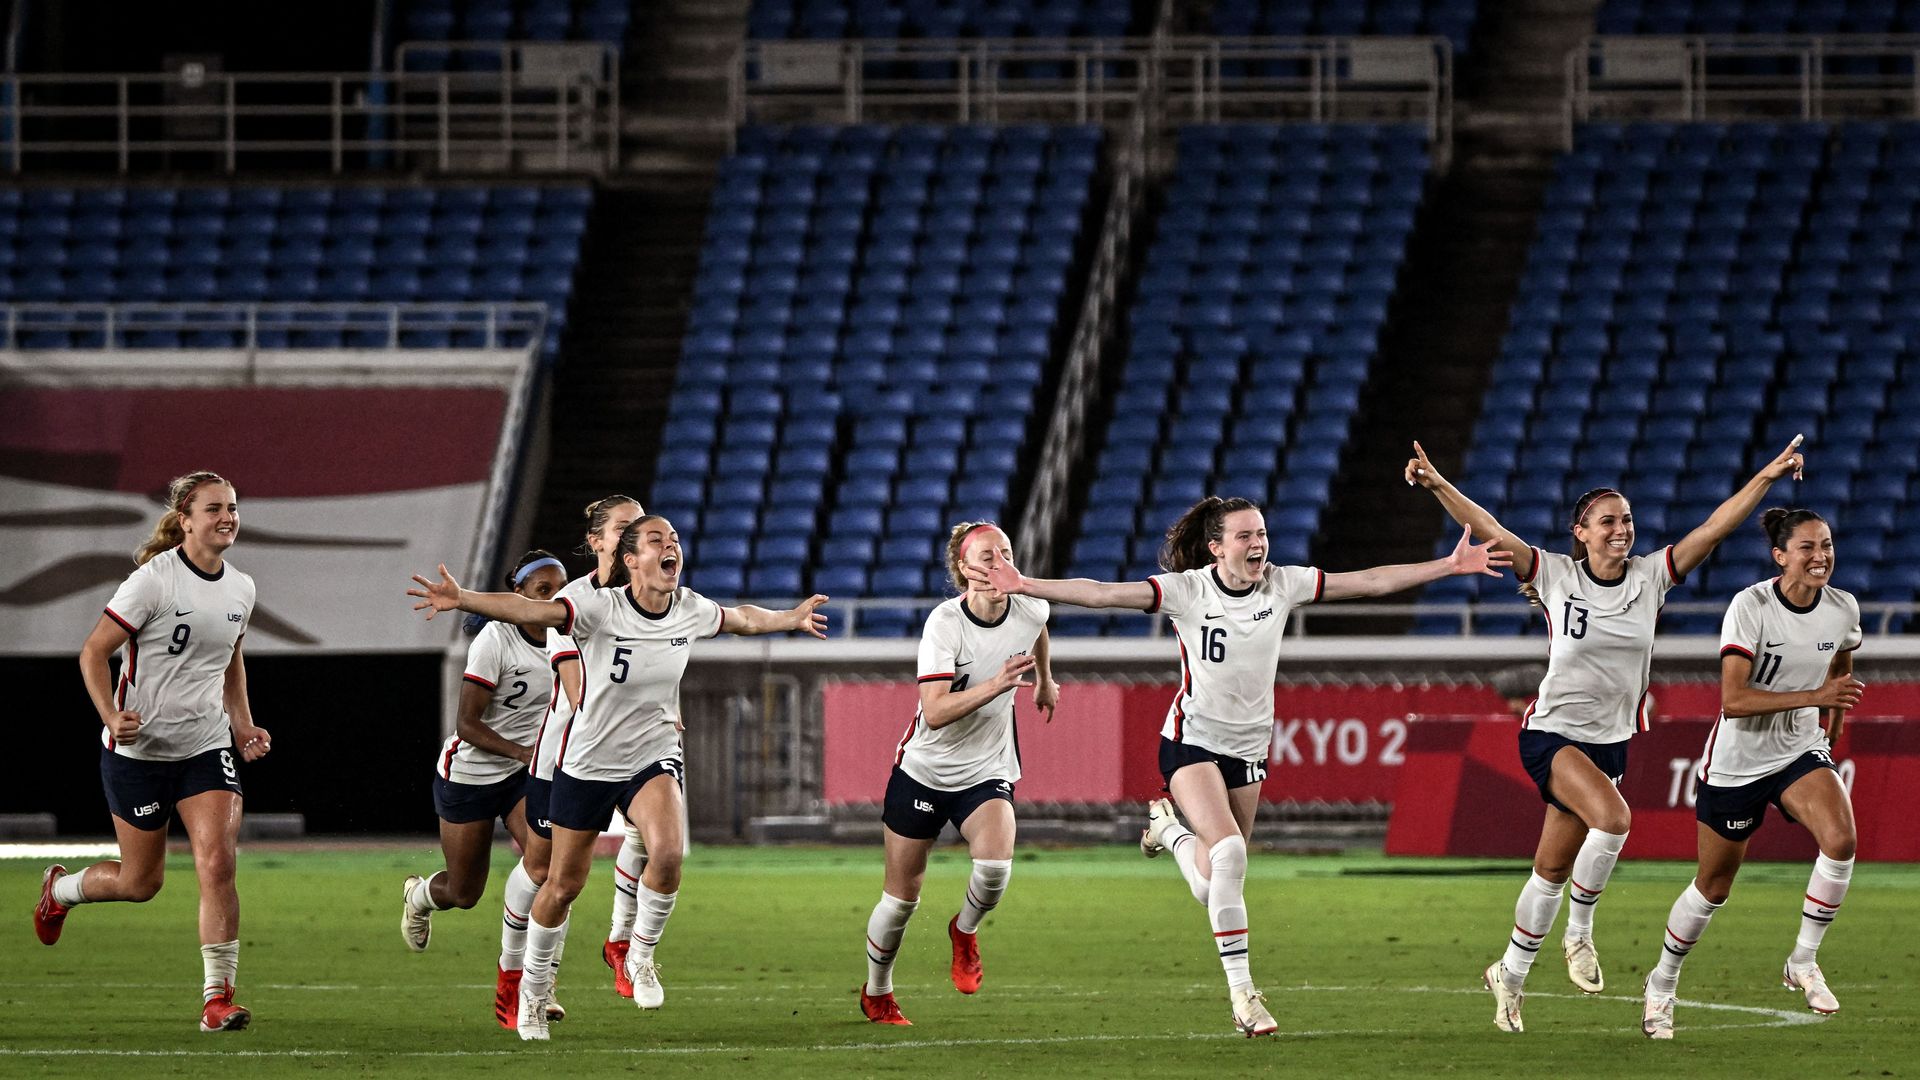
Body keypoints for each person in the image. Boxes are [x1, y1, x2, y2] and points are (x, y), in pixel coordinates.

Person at [974, 495, 1508, 1037]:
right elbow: (1104, 593)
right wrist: (1027, 584)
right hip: (1190, 742)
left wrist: (1447, 565)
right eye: (1245, 536)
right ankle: (1243, 996)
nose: (1259, 544)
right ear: (1216, 547)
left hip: (1248, 750)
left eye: (1262, 533)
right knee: (1229, 853)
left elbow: (1368, 581)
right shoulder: (1188, 590)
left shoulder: (1283, 583)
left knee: (1215, 882)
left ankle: (1169, 832)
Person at [1405, 436, 1806, 1032]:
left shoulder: (1652, 578)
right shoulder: (1556, 575)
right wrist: (1439, 485)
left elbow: (1714, 528)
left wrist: (1766, 477)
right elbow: (1487, 526)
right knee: (1615, 820)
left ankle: (1509, 976)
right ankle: (1581, 933)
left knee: (1550, 870)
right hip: (1551, 733)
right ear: (1581, 532)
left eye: (1628, 520)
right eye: (1609, 521)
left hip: (1610, 741)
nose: (1623, 529)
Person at [408, 514, 829, 1041]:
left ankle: (638, 955)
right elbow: (529, 611)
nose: (669, 545)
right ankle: (533, 993)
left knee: (668, 854)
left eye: (673, 539)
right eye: (655, 539)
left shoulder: (689, 607)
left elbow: (739, 617)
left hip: (650, 755)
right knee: (561, 885)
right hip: (585, 761)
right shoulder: (593, 606)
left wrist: (790, 618)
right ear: (629, 559)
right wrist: (464, 597)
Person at [38, 470, 270, 1033]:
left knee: (218, 863)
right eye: (214, 508)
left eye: (232, 507)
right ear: (185, 519)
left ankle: (218, 1000)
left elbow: (230, 661)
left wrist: (241, 724)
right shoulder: (152, 582)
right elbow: (93, 653)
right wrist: (112, 717)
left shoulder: (242, 587)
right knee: (140, 884)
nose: (227, 517)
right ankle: (61, 890)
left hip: (205, 746)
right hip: (138, 755)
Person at [1640, 508, 1865, 1039]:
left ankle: (1803, 961)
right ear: (1780, 556)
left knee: (1841, 839)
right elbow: (1734, 701)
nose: (1821, 556)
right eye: (1807, 547)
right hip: (1738, 761)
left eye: (1827, 545)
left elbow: (1841, 662)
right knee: (1713, 886)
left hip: (1798, 749)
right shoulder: (1751, 606)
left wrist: (1830, 722)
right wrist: (1819, 697)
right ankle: (1662, 984)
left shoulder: (1842, 608)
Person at [859, 522, 1060, 1027]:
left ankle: (964, 932)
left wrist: (1045, 682)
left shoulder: (1032, 606)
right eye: (987, 557)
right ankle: (877, 991)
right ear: (964, 569)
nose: (1000, 565)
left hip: (987, 768)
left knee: (995, 870)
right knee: (900, 898)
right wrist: (997, 685)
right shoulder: (944, 624)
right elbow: (935, 711)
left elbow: (1038, 629)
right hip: (924, 770)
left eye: (1007, 554)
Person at [496, 495, 645, 1027]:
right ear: (598, 542)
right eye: (624, 527)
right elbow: (577, 685)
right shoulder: (572, 602)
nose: (636, 534)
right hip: (569, 753)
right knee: (548, 872)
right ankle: (514, 977)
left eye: (641, 525)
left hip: (633, 748)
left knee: (654, 835)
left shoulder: (654, 596)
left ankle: (624, 944)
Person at [399, 550, 566, 956]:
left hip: (523, 777)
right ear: (517, 593)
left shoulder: (571, 637)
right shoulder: (496, 640)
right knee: (464, 892)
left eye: (561, 590)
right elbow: (466, 726)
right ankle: (419, 897)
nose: (553, 600)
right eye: (542, 590)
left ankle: (537, 981)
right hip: (470, 774)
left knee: (551, 872)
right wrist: (524, 752)